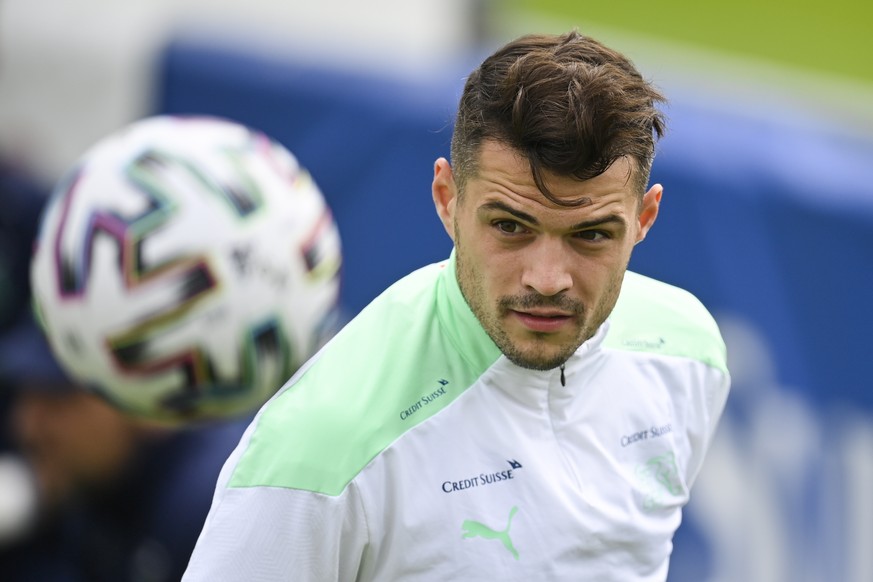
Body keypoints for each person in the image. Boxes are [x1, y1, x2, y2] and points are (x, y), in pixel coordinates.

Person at [183, 30, 731, 581]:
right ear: (448, 200)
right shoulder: (317, 447)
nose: (546, 279)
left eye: (591, 235)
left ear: (644, 219)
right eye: (510, 226)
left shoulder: (689, 354)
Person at [0, 314, 252, 581]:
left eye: (55, 396)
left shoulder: (216, 505)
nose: (26, 426)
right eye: (24, 395)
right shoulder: (92, 491)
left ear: (147, 396)